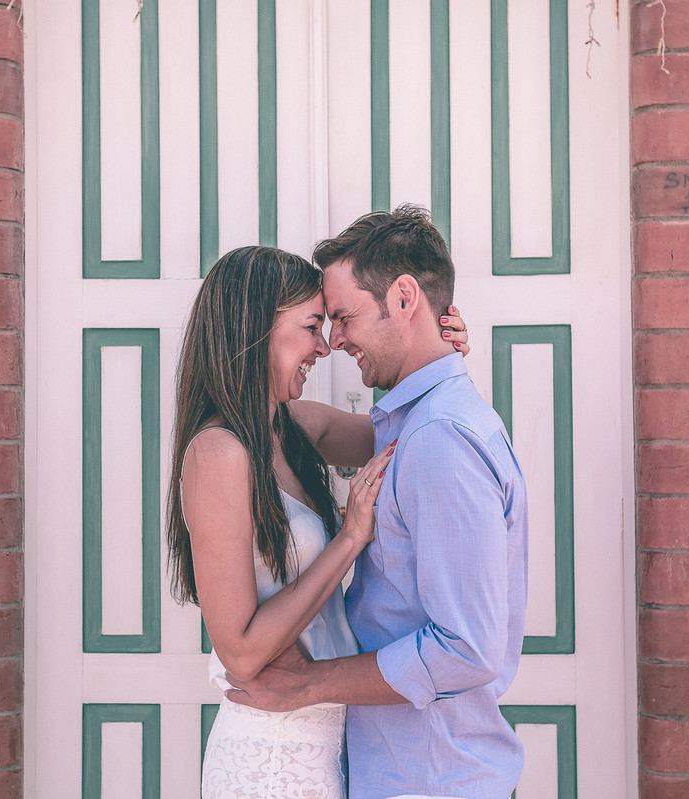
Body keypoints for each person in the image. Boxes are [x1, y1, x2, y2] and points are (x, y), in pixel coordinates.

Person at [225, 206, 529, 799]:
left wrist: (310, 684)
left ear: (404, 297)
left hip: (429, 782)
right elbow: (295, 426)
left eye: (343, 317)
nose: (334, 342)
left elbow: (467, 649)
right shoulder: (415, 424)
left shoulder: (440, 439)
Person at [166, 245, 469, 798]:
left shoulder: (293, 427)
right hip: (269, 758)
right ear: (256, 328)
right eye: (311, 327)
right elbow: (241, 651)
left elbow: (415, 437)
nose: (325, 347)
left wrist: (436, 358)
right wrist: (350, 537)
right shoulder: (217, 453)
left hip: (329, 742)